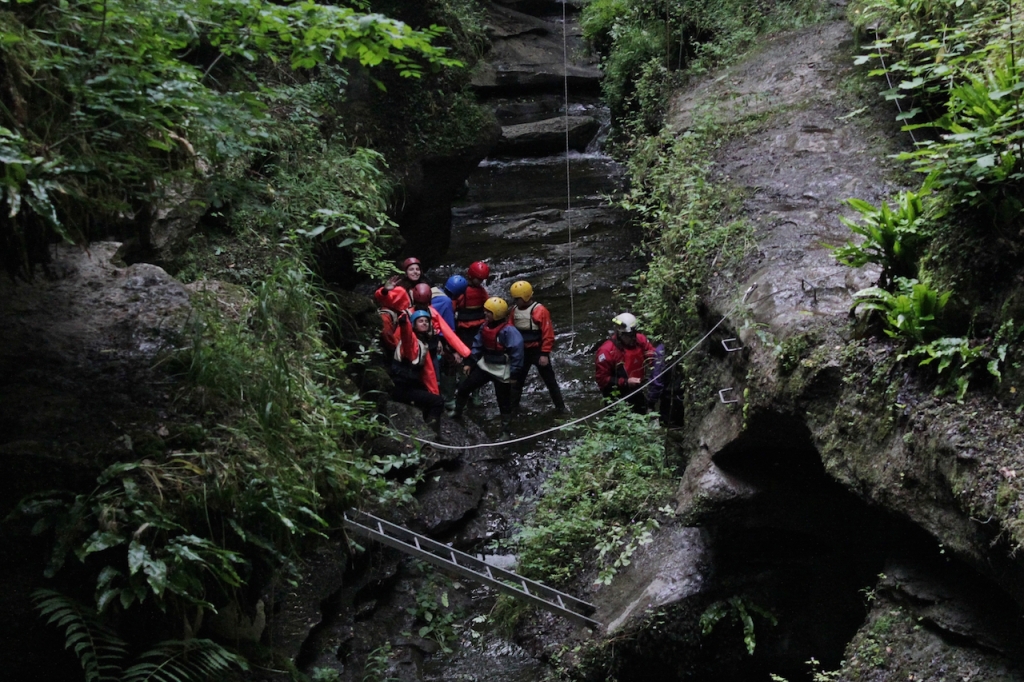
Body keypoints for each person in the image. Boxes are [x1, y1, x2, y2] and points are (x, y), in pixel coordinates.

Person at [453, 297, 524, 440]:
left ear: (497, 314)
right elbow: (477, 345)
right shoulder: (484, 327)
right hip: (485, 366)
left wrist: (514, 375)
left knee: (503, 402)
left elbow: (517, 354)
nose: (485, 314)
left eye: (488, 312)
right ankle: (457, 413)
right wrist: (469, 363)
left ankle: (505, 430)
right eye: (485, 311)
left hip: (502, 370)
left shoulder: (509, 331)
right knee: (464, 387)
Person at [508, 280, 566, 414]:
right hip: (522, 352)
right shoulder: (514, 311)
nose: (515, 301)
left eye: (517, 299)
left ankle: (560, 408)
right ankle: (513, 409)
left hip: (538, 351)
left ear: (525, 297)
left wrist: (544, 353)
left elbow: (548, 334)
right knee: (517, 382)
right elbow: (510, 330)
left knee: (550, 381)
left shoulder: (540, 311)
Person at [390, 309, 445, 439]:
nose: (424, 323)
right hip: (402, 388)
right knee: (437, 401)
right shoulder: (411, 340)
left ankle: (429, 432)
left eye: (426, 321)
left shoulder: (423, 341)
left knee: (431, 398)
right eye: (421, 321)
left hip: (410, 385)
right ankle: (434, 436)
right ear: (414, 325)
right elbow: (407, 337)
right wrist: (404, 324)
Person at [594, 312, 657, 413]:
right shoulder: (607, 351)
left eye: (634, 334)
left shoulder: (640, 340)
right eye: (629, 336)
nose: (633, 338)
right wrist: (625, 382)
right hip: (616, 394)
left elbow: (653, 357)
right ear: (620, 334)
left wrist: (656, 371)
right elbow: (602, 379)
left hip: (636, 389)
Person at [432, 275, 470, 411]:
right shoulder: (447, 302)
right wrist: (455, 351)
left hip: (427, 330)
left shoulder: (434, 290)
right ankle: (448, 399)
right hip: (436, 336)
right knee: (450, 363)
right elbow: (448, 330)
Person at [455, 261, 490, 350]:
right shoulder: (462, 290)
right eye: (479, 279)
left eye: (482, 280)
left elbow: (488, 304)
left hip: (479, 325)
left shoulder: (481, 291)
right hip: (464, 327)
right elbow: (454, 305)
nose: (480, 282)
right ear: (471, 276)